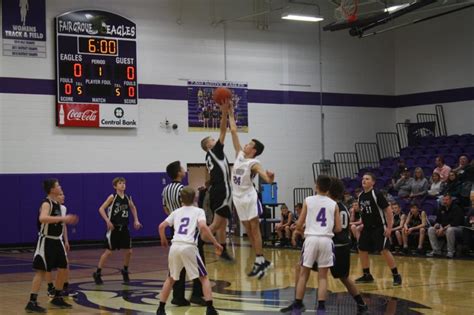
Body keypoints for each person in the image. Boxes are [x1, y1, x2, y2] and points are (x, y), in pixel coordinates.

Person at [281, 177, 368, 315]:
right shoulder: (342, 206)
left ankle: (298, 302)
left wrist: (303, 230)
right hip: (341, 245)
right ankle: (361, 304)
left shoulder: (325, 204)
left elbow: (327, 225)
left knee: (302, 269)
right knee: (343, 277)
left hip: (331, 244)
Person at [157, 187, 222, 315]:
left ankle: (160, 308)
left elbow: (161, 226)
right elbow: (203, 227)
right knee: (203, 277)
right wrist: (215, 242)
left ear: (181, 198)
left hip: (175, 246)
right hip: (189, 246)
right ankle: (210, 308)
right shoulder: (198, 211)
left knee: (170, 279)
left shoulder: (176, 212)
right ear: (195, 199)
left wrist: (163, 238)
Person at [228, 102, 275, 279]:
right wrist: (229, 113)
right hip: (237, 197)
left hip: (248, 196)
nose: (246, 144)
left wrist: (270, 178)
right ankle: (261, 260)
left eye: (249, 144)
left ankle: (261, 260)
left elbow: (265, 177)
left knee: (254, 229)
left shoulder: (253, 163)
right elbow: (233, 131)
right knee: (247, 229)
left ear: (253, 150)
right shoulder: (240, 155)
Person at [284, 175, 342, 314]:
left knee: (304, 274)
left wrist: (301, 229)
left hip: (311, 238)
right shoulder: (334, 204)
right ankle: (321, 309)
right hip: (326, 240)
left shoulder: (308, 200)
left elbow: (299, 223)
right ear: (328, 189)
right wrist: (326, 229)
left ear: (316, 186)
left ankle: (298, 305)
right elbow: (339, 228)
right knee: (322, 276)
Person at [25, 179, 79, 313]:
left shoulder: (59, 205)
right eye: (58, 185)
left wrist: (64, 230)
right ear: (52, 189)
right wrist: (63, 219)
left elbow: (61, 224)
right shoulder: (46, 203)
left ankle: (57, 296)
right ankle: (32, 302)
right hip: (46, 241)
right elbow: (42, 218)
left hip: (57, 241)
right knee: (41, 271)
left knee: (63, 267)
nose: (60, 187)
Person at [162, 161, 206, 306]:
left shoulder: (166, 189)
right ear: (178, 172)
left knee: (177, 266)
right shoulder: (183, 189)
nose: (184, 170)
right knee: (198, 263)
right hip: (190, 231)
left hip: (176, 229)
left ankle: (178, 296)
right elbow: (193, 208)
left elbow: (165, 209)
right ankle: (197, 295)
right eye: (182, 168)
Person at [200, 100, 234, 261]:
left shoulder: (209, 156)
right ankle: (196, 242)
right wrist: (224, 112)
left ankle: (223, 250)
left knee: (222, 223)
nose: (216, 140)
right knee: (215, 225)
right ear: (209, 145)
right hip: (222, 189)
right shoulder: (214, 151)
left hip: (217, 190)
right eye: (212, 140)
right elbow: (223, 130)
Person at [93, 177, 142, 285]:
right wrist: (107, 221)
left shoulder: (128, 197)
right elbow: (101, 209)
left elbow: (133, 208)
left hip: (124, 227)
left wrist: (136, 220)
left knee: (129, 251)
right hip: (114, 228)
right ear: (115, 186)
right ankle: (97, 273)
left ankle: (125, 270)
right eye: (120, 183)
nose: (123, 185)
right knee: (108, 252)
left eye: (124, 183)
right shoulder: (112, 197)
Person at [355, 173, 402, 286]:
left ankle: (396, 275)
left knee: (384, 251)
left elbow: (388, 210)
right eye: (363, 179)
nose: (364, 180)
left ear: (373, 182)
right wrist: (362, 223)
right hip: (366, 228)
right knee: (362, 249)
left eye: (367, 179)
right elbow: (364, 212)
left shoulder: (377, 194)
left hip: (379, 227)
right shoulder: (361, 195)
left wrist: (389, 227)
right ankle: (367, 275)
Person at [44, 191, 75, 298]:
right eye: (61, 194)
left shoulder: (63, 208)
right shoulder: (49, 206)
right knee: (48, 266)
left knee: (65, 263)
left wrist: (66, 240)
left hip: (59, 239)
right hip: (49, 239)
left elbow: (64, 226)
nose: (63, 196)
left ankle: (65, 287)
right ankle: (50, 288)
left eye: (63, 194)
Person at [427, 194, 465, 258]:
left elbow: (456, 222)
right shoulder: (442, 208)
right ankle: (436, 251)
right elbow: (438, 220)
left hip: (458, 228)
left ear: (451, 200)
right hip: (445, 228)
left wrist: (443, 229)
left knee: (450, 230)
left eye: (446, 200)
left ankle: (450, 252)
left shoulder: (456, 208)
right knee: (431, 229)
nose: (444, 201)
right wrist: (437, 225)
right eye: (443, 200)